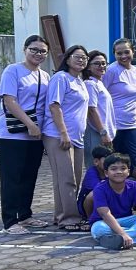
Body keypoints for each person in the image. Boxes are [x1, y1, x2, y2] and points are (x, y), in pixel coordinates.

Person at [41, 45, 91, 232]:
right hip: (59, 136)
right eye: (77, 57)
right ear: (67, 59)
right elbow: (54, 106)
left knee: (72, 179)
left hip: (77, 138)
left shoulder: (79, 81)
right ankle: (69, 219)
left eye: (84, 57)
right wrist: (63, 133)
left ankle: (61, 215)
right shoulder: (61, 78)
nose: (81, 60)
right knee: (66, 178)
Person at [88, 153, 136, 250]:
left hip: (126, 220)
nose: (119, 172)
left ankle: (118, 240)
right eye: (113, 169)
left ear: (128, 172)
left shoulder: (135, 186)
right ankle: (132, 236)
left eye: (123, 168)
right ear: (106, 173)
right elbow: (105, 214)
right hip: (105, 222)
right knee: (98, 229)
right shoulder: (99, 189)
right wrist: (123, 234)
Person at [103, 38, 136, 166]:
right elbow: (101, 95)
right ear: (114, 54)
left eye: (126, 52)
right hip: (115, 125)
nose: (123, 56)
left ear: (133, 52)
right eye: (119, 53)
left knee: (135, 160)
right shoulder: (111, 70)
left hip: (132, 124)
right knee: (115, 161)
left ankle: (134, 180)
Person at [83, 50, 114, 159]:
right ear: (88, 66)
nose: (101, 66)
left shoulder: (99, 83)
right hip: (96, 132)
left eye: (103, 63)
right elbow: (92, 109)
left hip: (102, 132)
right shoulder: (90, 84)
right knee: (95, 164)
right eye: (97, 63)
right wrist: (103, 132)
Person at [78, 146, 111, 219]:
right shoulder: (91, 172)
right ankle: (90, 219)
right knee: (93, 195)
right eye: (106, 160)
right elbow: (98, 189)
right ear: (96, 162)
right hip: (89, 205)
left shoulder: (111, 171)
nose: (109, 163)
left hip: (105, 204)